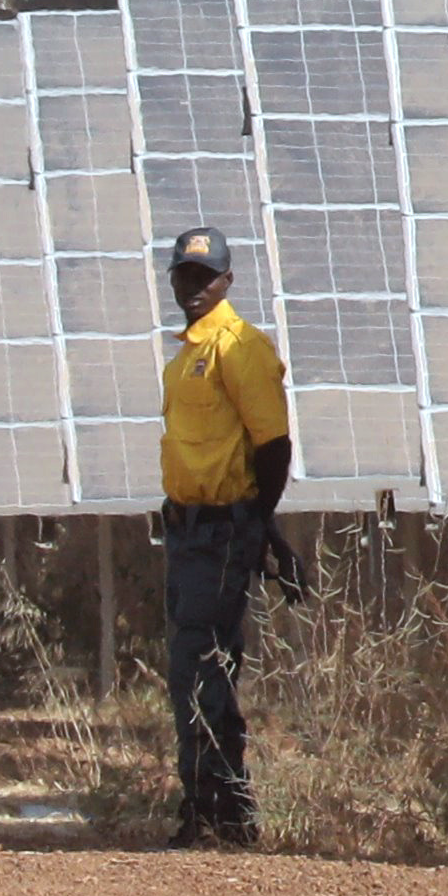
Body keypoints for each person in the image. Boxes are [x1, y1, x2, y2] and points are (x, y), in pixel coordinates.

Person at [154, 230, 300, 848]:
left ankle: (218, 806)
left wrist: (253, 528)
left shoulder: (238, 348)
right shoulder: (187, 353)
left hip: (220, 532)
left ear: (227, 282)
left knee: (202, 664)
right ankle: (215, 806)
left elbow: (273, 448)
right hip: (189, 530)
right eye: (184, 276)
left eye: (204, 277)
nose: (192, 288)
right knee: (195, 666)